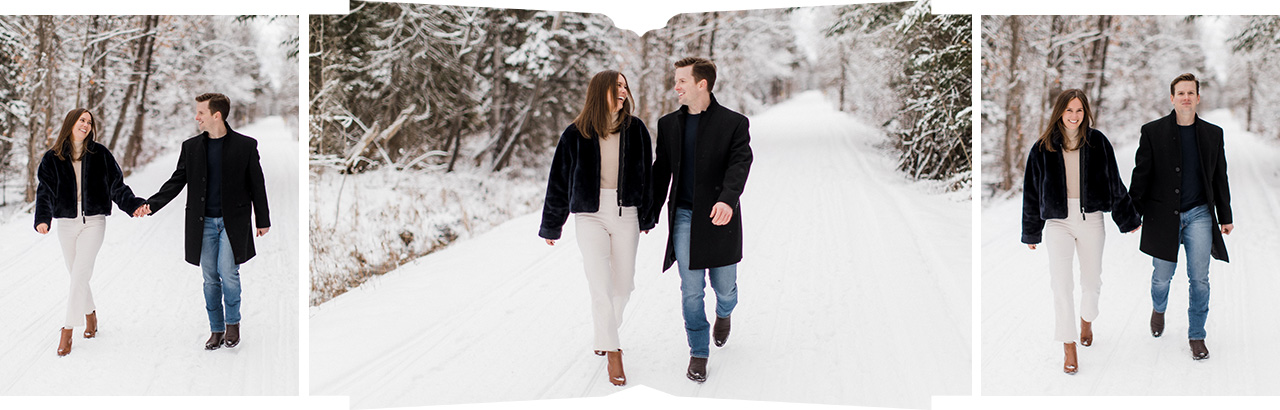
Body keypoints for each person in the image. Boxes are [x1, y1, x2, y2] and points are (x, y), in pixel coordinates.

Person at [539, 70, 654, 386]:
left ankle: (604, 332)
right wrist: (552, 224)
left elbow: (646, 175)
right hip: (589, 215)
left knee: (625, 285)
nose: (622, 89)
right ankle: (613, 350)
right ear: (600, 90)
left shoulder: (636, 130)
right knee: (600, 284)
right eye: (616, 85)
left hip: (625, 213)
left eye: (624, 85)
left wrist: (646, 216)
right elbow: (559, 181)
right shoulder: (576, 133)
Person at [1021, 89, 1140, 374]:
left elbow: (1114, 182)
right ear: (1059, 112)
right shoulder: (1042, 147)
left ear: (1085, 112)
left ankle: (1087, 318)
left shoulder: (1097, 142)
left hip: (1091, 220)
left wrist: (1128, 219)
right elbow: (1032, 192)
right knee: (1061, 285)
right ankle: (1068, 344)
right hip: (1058, 223)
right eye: (1069, 110)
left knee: (1091, 283)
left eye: (1079, 111)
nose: (1074, 116)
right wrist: (1031, 232)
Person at [649, 57, 752, 383]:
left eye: (681, 81)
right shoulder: (668, 125)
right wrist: (647, 211)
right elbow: (661, 171)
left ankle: (725, 313)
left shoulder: (734, 123)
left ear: (701, 84)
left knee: (724, 288)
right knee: (691, 290)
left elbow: (740, 163)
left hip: (720, 217)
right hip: (683, 216)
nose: (676, 87)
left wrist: (727, 200)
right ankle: (698, 351)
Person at [144, 93, 271, 351]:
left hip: (232, 222)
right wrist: (151, 204)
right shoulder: (191, 147)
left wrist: (262, 218)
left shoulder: (245, 146)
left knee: (228, 272)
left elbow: (257, 183)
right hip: (203, 224)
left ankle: (232, 324)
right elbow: (176, 181)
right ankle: (216, 329)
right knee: (210, 277)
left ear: (217, 115)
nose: (196, 117)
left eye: (200, 112)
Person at [1130, 73, 1233, 360]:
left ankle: (1197, 335)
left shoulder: (1213, 134)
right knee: (1162, 276)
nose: (1186, 97)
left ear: (1198, 97)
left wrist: (1225, 215)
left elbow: (1219, 177)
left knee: (1199, 278)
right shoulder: (1152, 132)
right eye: (1181, 93)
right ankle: (1158, 308)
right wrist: (1132, 213)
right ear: (1172, 97)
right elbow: (1141, 176)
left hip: (1199, 213)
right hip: (1163, 215)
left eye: (1191, 93)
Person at [33, 108, 149, 356]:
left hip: (94, 221)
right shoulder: (52, 158)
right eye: (81, 120)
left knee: (79, 274)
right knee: (77, 274)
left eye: (89, 122)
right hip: (66, 222)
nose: (85, 124)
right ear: (70, 123)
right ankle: (91, 315)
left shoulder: (100, 154)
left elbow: (117, 185)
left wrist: (133, 205)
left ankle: (66, 331)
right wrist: (43, 218)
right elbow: (44, 191)